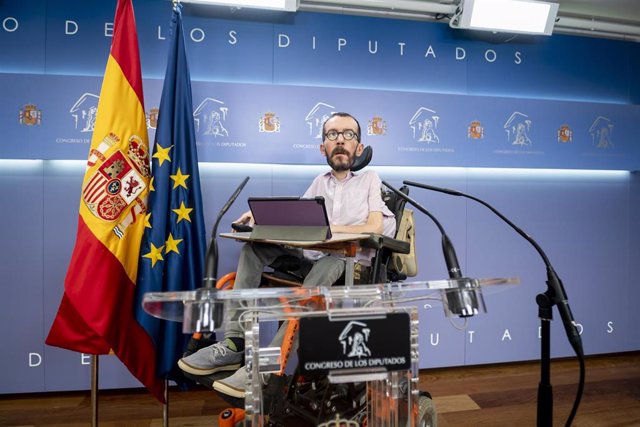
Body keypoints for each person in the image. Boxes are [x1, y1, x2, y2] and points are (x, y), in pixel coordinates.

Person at [177, 112, 396, 398]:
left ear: (359, 146)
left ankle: (264, 368)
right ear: (323, 148)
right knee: (254, 248)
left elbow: (375, 226)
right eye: (332, 135)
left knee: (331, 262)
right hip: (314, 261)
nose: (340, 140)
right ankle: (234, 343)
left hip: (351, 264)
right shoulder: (320, 182)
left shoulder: (369, 178)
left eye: (348, 135)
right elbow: (297, 219)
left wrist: (329, 228)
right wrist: (259, 219)